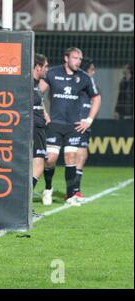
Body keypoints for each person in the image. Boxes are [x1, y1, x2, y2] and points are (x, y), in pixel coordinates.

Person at [39, 47, 101, 207]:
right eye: (75, 58)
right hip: (55, 124)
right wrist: (44, 112)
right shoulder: (53, 73)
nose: (78, 61)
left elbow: (96, 98)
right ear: (66, 58)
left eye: (80, 59)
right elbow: (37, 93)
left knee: (70, 158)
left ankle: (71, 195)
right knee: (50, 160)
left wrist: (88, 120)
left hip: (74, 126)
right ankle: (48, 188)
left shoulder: (84, 77)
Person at [76, 58, 100, 199]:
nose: (94, 72)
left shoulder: (91, 87)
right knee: (76, 156)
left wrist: (89, 120)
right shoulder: (77, 85)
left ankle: (74, 190)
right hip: (74, 125)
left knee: (82, 156)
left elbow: (96, 101)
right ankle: (72, 191)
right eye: (91, 69)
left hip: (85, 126)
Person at [31, 54, 50, 216]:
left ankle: (24, 206)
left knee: (37, 165)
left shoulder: (37, 84)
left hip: (38, 127)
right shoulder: (27, 83)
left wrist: (45, 113)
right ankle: (23, 206)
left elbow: (39, 101)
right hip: (33, 129)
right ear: (38, 67)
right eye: (45, 66)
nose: (47, 69)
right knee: (37, 165)